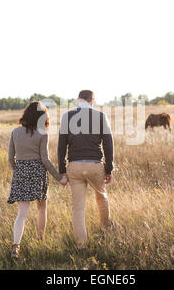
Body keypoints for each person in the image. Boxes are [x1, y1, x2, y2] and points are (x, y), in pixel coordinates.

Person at [7, 101, 67, 258]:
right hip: (38, 173)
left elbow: (10, 158)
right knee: (42, 209)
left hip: (21, 172)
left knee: (22, 214)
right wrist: (59, 177)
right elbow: (45, 160)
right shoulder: (42, 134)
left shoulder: (15, 132)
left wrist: (19, 171)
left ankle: (15, 247)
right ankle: (40, 240)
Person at [58, 90, 115, 249]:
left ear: (78, 100)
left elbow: (61, 146)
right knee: (102, 198)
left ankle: (81, 245)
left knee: (77, 207)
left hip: (74, 166)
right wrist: (109, 169)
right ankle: (106, 230)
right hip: (95, 165)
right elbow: (108, 144)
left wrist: (62, 170)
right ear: (93, 100)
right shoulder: (100, 116)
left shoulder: (66, 117)